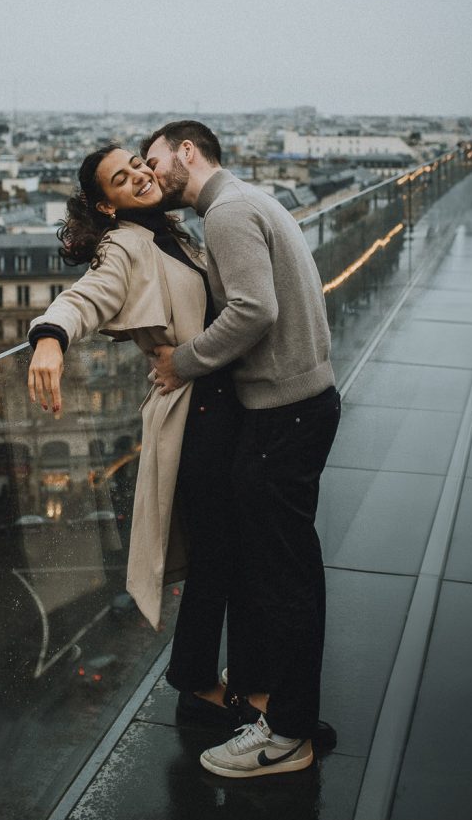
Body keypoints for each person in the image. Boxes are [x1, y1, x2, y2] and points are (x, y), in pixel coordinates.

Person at [27, 145, 258, 729]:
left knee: (223, 550)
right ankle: (198, 683)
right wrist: (50, 336)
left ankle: (203, 675)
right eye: (121, 179)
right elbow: (90, 294)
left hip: (217, 401)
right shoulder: (124, 244)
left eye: (136, 162)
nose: (138, 175)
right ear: (107, 205)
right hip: (197, 409)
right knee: (218, 552)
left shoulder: (171, 231)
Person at [143, 121, 341, 778]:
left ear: (187, 153)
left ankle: (284, 734)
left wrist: (184, 362)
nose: (151, 176)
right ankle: (290, 708)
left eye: (155, 160)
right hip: (304, 402)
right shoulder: (250, 200)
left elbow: (253, 311)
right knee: (290, 572)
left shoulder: (224, 214)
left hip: (280, 414)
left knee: (282, 580)